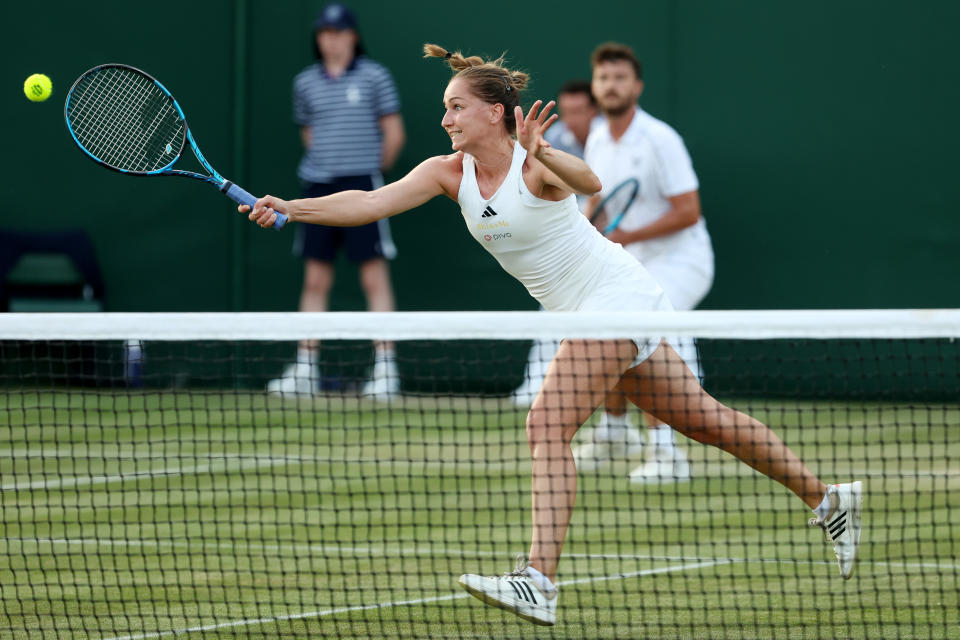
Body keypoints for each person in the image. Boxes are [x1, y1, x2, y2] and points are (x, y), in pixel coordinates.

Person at [241, 43, 864, 627]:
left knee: (546, 423)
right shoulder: (445, 173)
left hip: (613, 297)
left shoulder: (535, 166)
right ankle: (829, 498)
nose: (447, 119)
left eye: (456, 108)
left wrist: (541, 152)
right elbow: (367, 204)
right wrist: (293, 208)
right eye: (444, 109)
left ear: (496, 113)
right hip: (592, 309)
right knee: (706, 421)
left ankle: (537, 579)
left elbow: (587, 182)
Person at [572, 42, 716, 485]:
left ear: (636, 86)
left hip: (682, 260)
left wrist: (626, 235)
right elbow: (595, 199)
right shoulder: (597, 136)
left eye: (619, 78)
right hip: (632, 262)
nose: (610, 86)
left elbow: (688, 210)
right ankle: (616, 430)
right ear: (595, 87)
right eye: (603, 78)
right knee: (603, 324)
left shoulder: (660, 139)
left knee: (651, 326)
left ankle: (667, 453)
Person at [266, 2, 406, 398]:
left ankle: (385, 372)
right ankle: (306, 369)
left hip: (364, 187)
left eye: (338, 32)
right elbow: (309, 136)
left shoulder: (376, 78)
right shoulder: (304, 83)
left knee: (373, 277)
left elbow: (393, 135)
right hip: (316, 186)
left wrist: (368, 178)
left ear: (352, 36)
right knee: (315, 278)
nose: (331, 40)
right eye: (324, 33)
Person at [512, 79, 599, 406]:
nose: (572, 118)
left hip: (608, 248)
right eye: (568, 111)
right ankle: (535, 383)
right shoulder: (556, 138)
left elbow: (595, 186)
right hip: (569, 239)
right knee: (551, 309)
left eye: (580, 111)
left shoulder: (607, 139)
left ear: (594, 110)